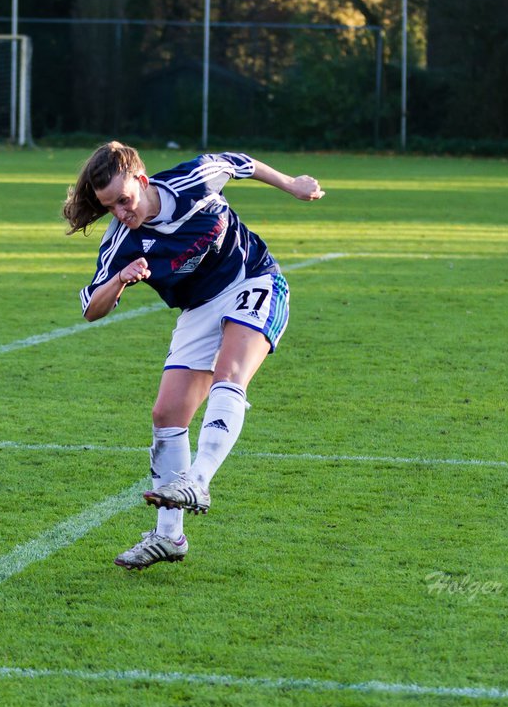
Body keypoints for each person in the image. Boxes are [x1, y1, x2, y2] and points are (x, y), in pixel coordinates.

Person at [62, 142, 324, 570]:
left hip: (252, 278)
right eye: (110, 207)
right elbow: (91, 308)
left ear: (142, 181)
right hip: (199, 309)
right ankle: (169, 537)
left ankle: (198, 481)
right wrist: (121, 281)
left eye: (124, 201)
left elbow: (242, 164)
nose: (121, 213)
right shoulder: (122, 242)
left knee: (230, 372)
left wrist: (292, 184)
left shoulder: (194, 179)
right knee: (167, 415)